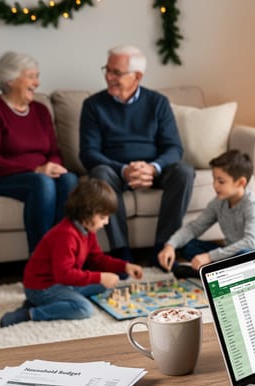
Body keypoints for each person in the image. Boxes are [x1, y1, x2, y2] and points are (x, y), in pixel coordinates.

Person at [79, 44, 194, 263]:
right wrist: (123, 170)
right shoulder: (93, 106)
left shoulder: (157, 102)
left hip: (153, 170)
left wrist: (153, 167)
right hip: (114, 171)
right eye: (107, 70)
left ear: (137, 76)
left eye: (117, 73)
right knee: (100, 174)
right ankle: (121, 252)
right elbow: (88, 152)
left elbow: (174, 148)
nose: (109, 76)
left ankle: (163, 248)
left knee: (184, 172)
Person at [0, 51, 78, 254]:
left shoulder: (40, 111)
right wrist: (37, 169)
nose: (37, 83)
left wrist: (54, 165)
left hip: (37, 175)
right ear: (10, 80)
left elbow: (54, 151)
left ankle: (62, 255)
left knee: (69, 179)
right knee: (42, 182)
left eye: (37, 76)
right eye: (31, 76)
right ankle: (39, 260)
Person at [0, 178, 143, 327]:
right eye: (102, 217)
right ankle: (30, 313)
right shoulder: (66, 235)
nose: (106, 222)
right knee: (83, 309)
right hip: (41, 287)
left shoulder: (87, 231)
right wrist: (99, 276)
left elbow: (98, 258)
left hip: (62, 283)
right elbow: (64, 274)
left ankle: (45, 302)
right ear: (87, 213)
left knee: (106, 285)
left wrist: (125, 266)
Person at [157, 150, 255, 278]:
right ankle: (219, 272)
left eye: (221, 181)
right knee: (187, 244)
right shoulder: (219, 202)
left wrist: (209, 256)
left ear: (241, 182)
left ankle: (210, 272)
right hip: (231, 254)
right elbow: (194, 227)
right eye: (214, 179)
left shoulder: (253, 206)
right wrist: (170, 245)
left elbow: (250, 243)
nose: (215, 185)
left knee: (245, 254)